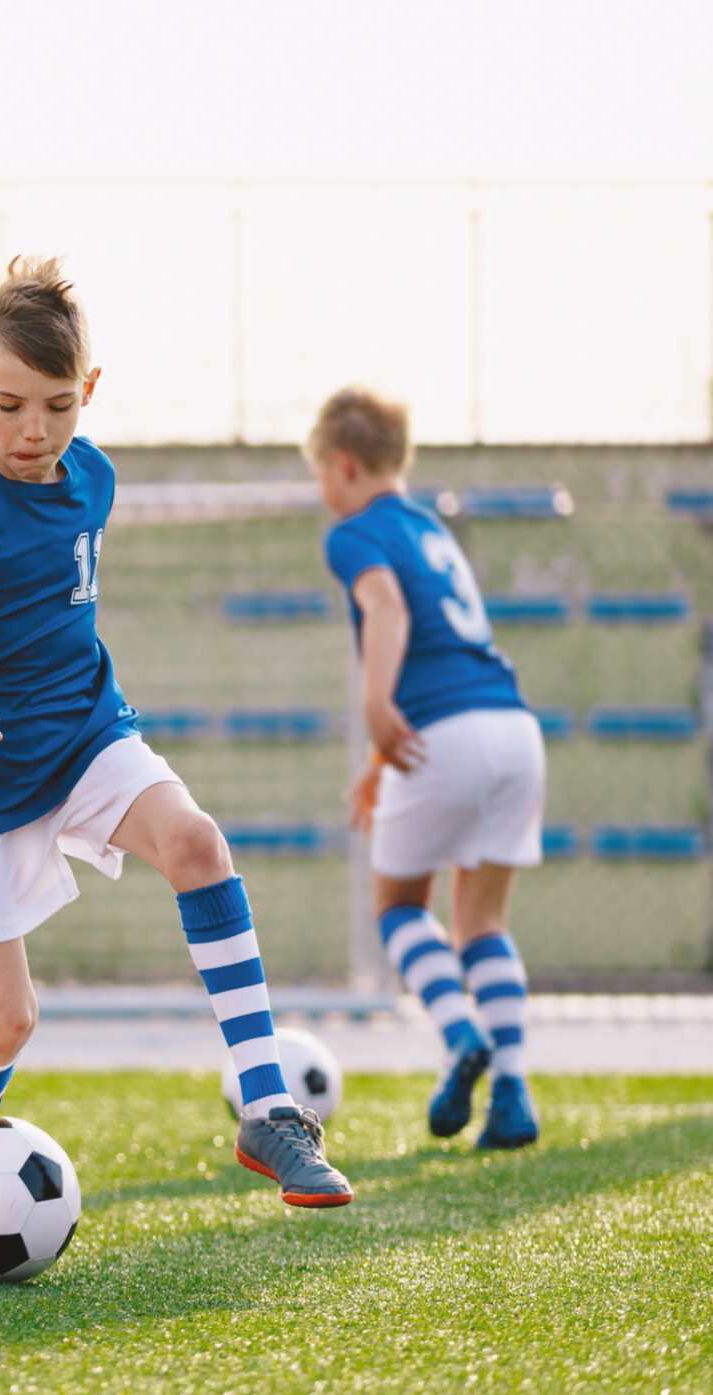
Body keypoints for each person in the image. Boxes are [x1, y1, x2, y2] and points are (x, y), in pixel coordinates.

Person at [0, 257, 354, 1209]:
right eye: (8, 406)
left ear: (89, 392)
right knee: (5, 1020)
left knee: (197, 840)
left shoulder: (95, 478)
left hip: (87, 732)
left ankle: (268, 1109)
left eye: (57, 406)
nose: (33, 431)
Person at [310, 386, 541, 1149]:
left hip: (440, 733)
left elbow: (389, 610)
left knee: (401, 907)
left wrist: (377, 706)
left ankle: (460, 1032)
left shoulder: (354, 531)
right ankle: (511, 1092)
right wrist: (384, 756)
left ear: (342, 465)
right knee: (483, 921)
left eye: (320, 473)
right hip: (513, 728)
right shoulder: (430, 528)